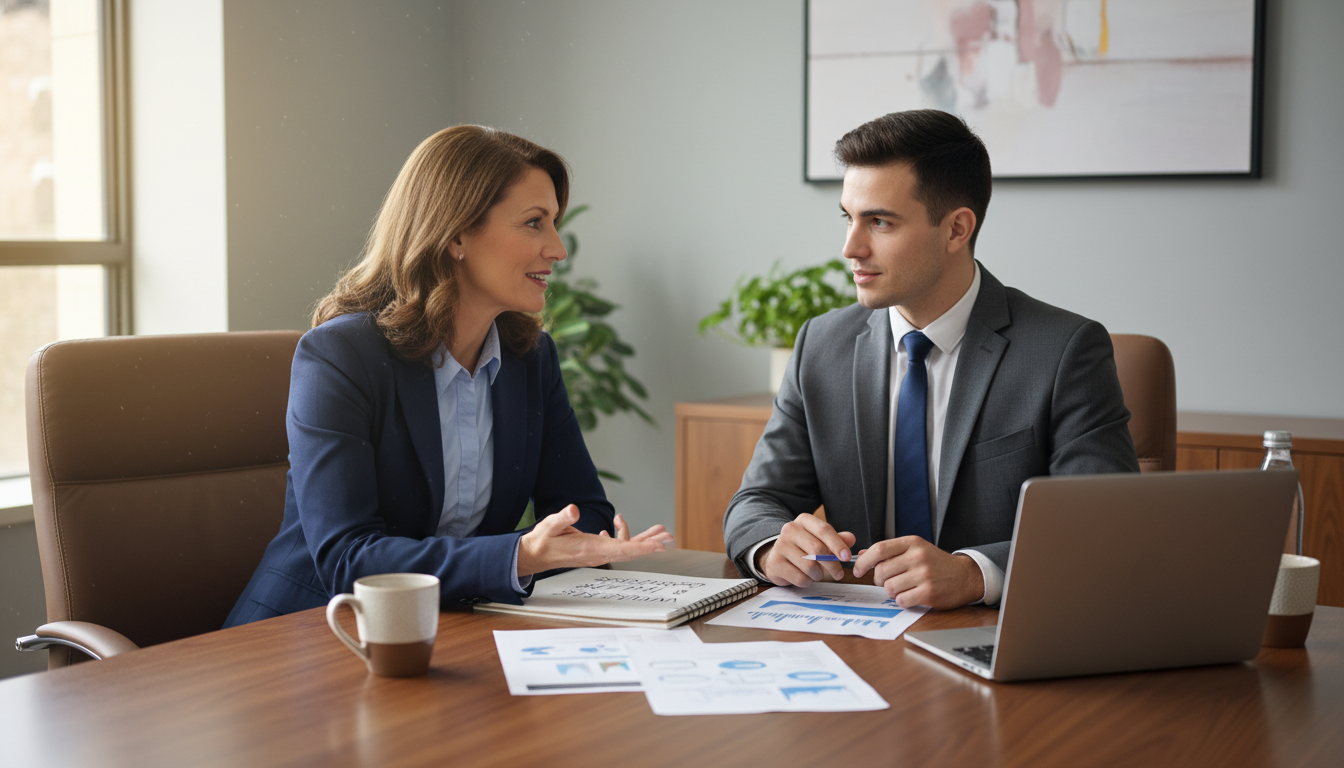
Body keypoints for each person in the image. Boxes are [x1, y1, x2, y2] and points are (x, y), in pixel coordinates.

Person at [225, 126, 671, 627]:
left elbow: (583, 508)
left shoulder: (530, 358)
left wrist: (574, 543)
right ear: (456, 234)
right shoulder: (340, 356)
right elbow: (348, 561)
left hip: (449, 626)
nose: (557, 250)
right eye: (533, 223)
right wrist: (520, 556)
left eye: (554, 223)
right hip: (307, 634)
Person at [722, 110, 1139, 610]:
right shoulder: (822, 344)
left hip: (996, 639)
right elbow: (755, 503)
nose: (850, 247)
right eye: (848, 218)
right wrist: (772, 546)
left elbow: (1103, 529)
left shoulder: (1064, 350)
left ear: (957, 229)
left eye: (879, 222)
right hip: (860, 641)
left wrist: (972, 574)